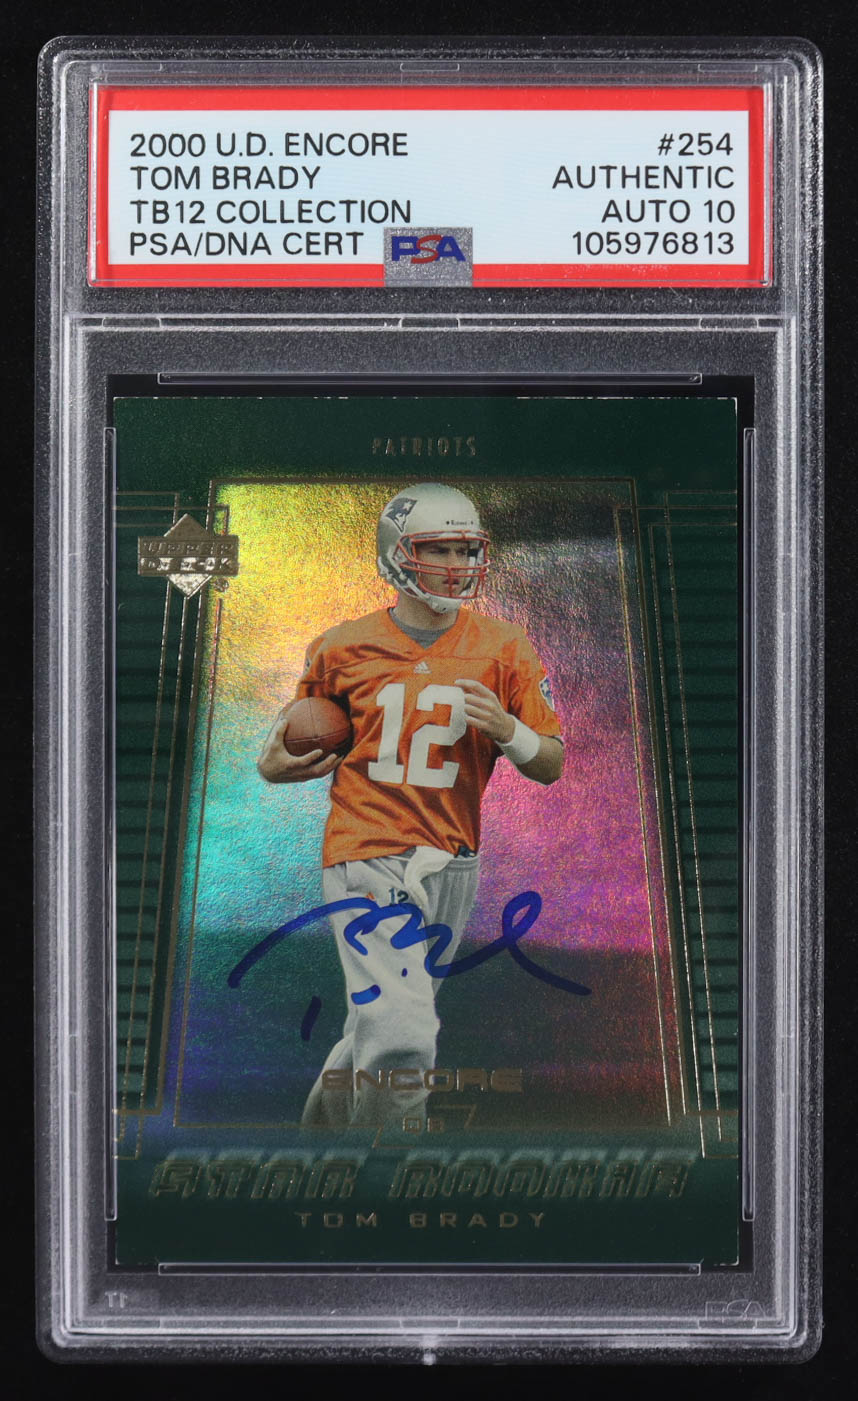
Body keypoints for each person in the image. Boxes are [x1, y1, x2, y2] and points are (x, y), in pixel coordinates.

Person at [257, 483, 563, 1129]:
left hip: (453, 858)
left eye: (465, 549)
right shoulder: (341, 647)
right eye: (437, 549)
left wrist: (508, 730)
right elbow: (293, 740)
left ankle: (320, 1148)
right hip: (367, 850)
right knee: (402, 1030)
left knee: (379, 1024)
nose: (456, 565)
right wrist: (272, 765)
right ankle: (392, 1167)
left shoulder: (505, 645)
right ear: (396, 554)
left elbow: (550, 763)